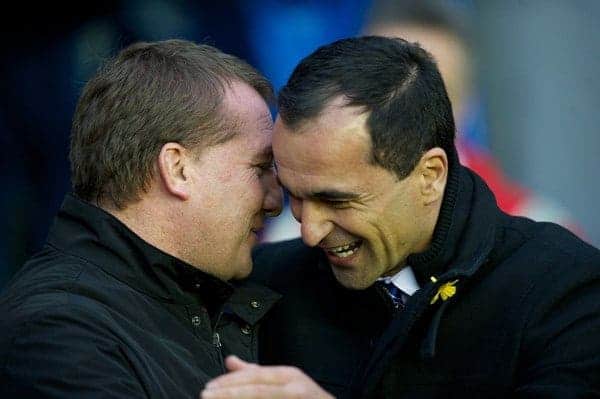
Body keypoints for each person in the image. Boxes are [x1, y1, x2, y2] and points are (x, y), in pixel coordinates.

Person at [201, 36, 600, 398]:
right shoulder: (264, 286)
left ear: (430, 175)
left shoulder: (565, 289)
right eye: (295, 197)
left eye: (337, 201)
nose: (310, 231)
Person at [0, 39, 282, 398]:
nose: (275, 201)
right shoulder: (57, 333)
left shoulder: (206, 293)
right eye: (260, 168)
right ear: (177, 168)